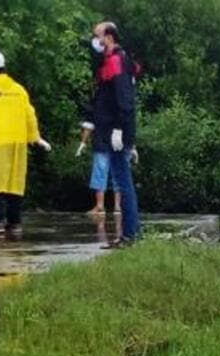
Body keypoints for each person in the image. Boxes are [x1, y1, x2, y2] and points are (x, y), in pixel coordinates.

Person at [0, 51, 51, 238]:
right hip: (17, 142)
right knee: (15, 182)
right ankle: (15, 222)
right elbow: (30, 114)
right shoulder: (18, 89)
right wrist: (35, 137)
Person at [88, 23, 141, 245]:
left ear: (108, 37)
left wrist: (119, 129)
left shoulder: (116, 60)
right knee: (121, 179)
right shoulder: (111, 60)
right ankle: (131, 232)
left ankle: (130, 234)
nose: (94, 41)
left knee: (122, 181)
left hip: (116, 129)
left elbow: (124, 97)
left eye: (97, 36)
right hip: (110, 127)